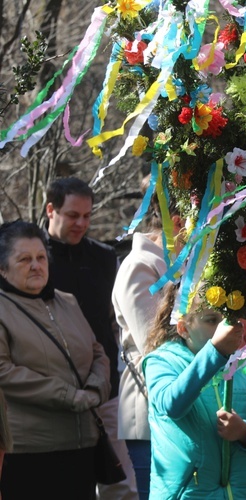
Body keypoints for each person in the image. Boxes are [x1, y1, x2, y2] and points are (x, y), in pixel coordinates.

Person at [0, 220, 110, 499]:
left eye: (40, 257)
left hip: (82, 445)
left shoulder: (67, 301)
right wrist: (68, 396)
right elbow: (3, 371)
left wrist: (97, 387)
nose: (36, 265)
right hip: (30, 451)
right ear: (2, 268)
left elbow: (97, 351)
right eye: (24, 259)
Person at [143, 283, 246, 499]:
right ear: (183, 328)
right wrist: (215, 352)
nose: (223, 327)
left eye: (227, 319)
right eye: (211, 320)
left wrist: (245, 432)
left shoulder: (243, 367)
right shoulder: (162, 361)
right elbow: (172, 405)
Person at [44, 176, 137, 498]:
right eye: (73, 215)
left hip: (105, 388)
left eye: (87, 215)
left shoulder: (103, 258)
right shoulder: (34, 259)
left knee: (120, 483)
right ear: (50, 210)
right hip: (52, 390)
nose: (81, 223)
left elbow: (115, 321)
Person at [112, 178, 184, 498]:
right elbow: (155, 347)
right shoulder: (139, 266)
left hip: (185, 403)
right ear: (178, 218)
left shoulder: (185, 260)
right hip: (150, 413)